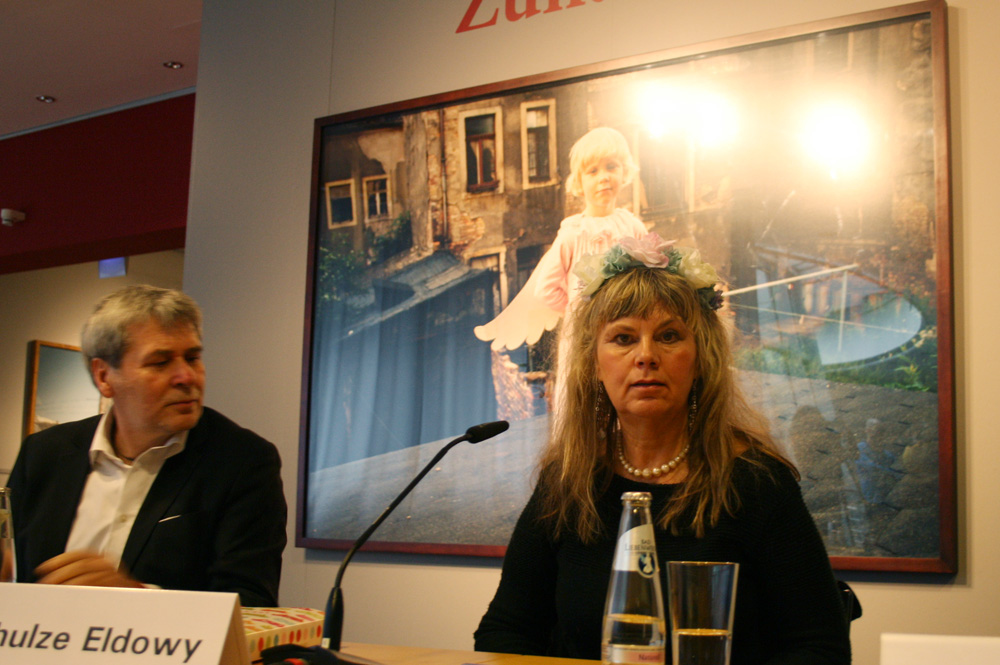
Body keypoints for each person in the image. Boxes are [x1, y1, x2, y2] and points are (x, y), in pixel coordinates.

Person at [474, 234, 851, 664]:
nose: (646, 356)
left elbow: (821, 649)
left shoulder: (758, 482)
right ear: (594, 363)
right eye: (623, 338)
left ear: (700, 357)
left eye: (669, 335)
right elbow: (506, 632)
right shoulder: (568, 481)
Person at [8, 285, 287, 607]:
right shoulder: (44, 453)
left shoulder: (243, 462)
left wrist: (135, 598)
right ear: (104, 377)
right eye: (160, 362)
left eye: (193, 357)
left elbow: (252, 605)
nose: (186, 376)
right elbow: (15, 565)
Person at [474, 126, 647, 413]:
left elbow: (649, 271)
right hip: (586, 334)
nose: (604, 177)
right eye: (592, 171)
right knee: (589, 395)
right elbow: (545, 287)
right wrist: (578, 309)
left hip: (629, 327)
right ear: (579, 182)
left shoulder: (631, 226)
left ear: (624, 171)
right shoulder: (573, 234)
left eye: (611, 167)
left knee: (625, 392)